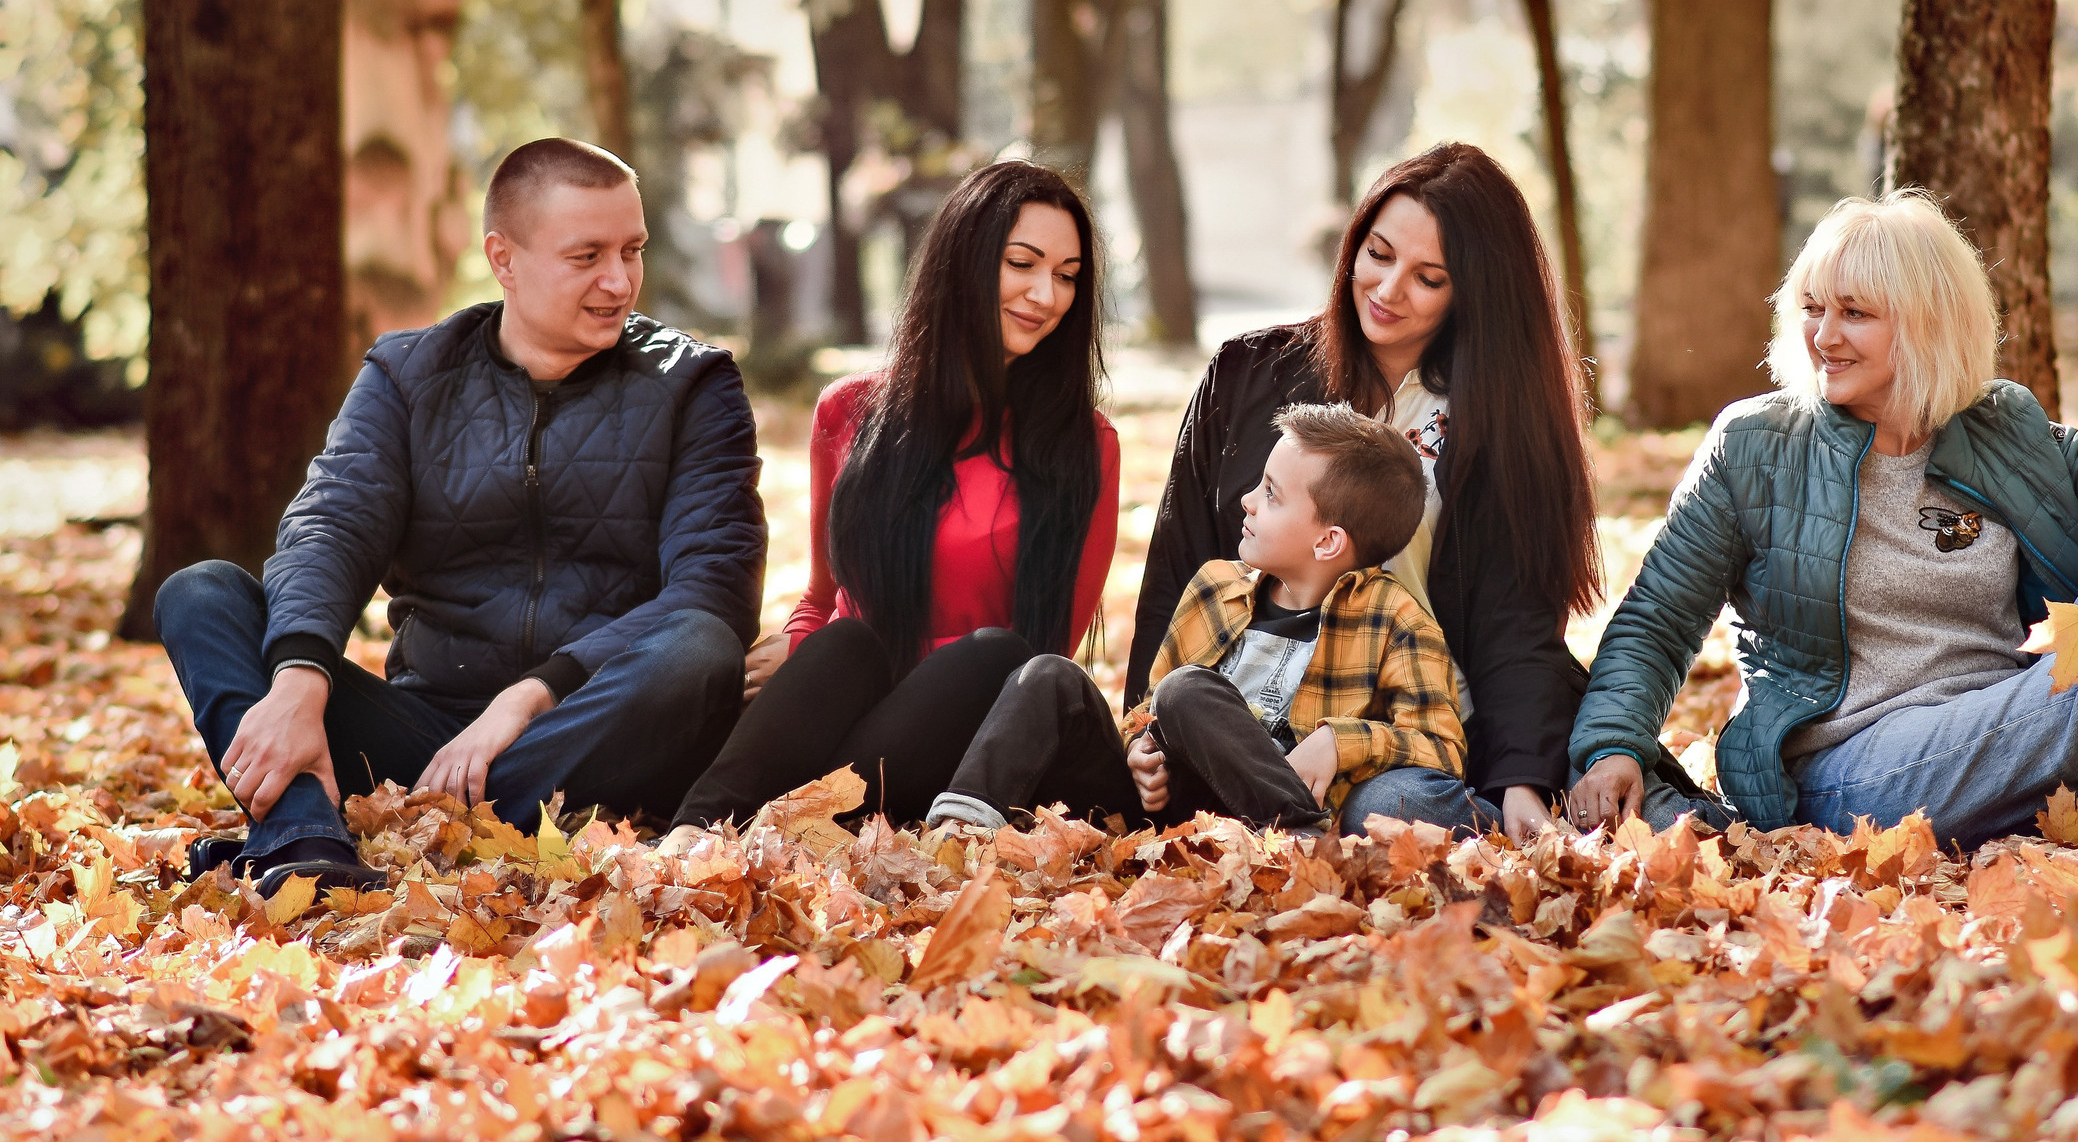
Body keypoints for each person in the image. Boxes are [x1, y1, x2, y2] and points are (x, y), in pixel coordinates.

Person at [1568, 191, 2078, 848]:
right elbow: (1657, 620)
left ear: (1930, 323)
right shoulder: (1757, 445)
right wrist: (1611, 746)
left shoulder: (2000, 427)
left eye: (1855, 313)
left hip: (2002, 723)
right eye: (1812, 308)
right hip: (1852, 772)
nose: (1824, 337)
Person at [157, 139, 764, 897]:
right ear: (503, 258)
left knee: (699, 647)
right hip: (425, 727)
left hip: (593, 722)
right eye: (588, 256)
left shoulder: (693, 384)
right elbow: (332, 528)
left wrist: (530, 694)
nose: (620, 280)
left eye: (632, 250)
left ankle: (429, 816)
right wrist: (300, 678)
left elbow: (714, 588)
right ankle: (303, 833)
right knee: (201, 592)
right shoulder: (408, 376)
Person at [1128, 142, 1601, 842]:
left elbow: (1516, 620)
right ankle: (1297, 817)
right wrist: (1145, 724)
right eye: (1378, 254)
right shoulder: (1246, 372)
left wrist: (1521, 781)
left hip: (1418, 736)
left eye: (1428, 276)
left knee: (1390, 809)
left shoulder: (1499, 419)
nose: (1387, 289)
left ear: (1473, 290)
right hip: (1250, 722)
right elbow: (1179, 568)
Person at [661, 160, 1119, 838]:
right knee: (847, 642)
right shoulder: (851, 412)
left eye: (1067, 275)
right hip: (860, 715)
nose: (1046, 294)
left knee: (998, 651)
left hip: (978, 741)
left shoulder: (1087, 445)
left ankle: (793, 823)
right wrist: (795, 650)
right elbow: (822, 598)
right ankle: (690, 835)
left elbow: (1048, 651)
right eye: (1022, 263)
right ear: (964, 261)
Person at [931, 403, 1462, 831]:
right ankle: (963, 824)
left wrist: (1337, 741)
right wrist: (1140, 750)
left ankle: (1299, 837)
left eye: (1272, 495)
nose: (1248, 500)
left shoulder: (1395, 620)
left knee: (1188, 689)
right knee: (1048, 675)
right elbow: (1148, 707)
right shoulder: (1217, 586)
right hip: (1163, 814)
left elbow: (1441, 748)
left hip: (1265, 820)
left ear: (1328, 542)